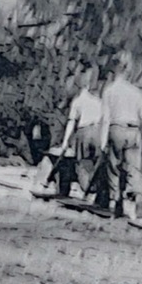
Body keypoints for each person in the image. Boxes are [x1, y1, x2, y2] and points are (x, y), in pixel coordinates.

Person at [98, 55, 142, 219]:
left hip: (117, 128)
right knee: (134, 168)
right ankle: (138, 199)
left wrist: (102, 141)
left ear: (114, 72)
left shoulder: (109, 91)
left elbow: (106, 118)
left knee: (114, 167)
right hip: (134, 130)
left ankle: (117, 202)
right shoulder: (136, 92)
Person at [54, 65, 106, 205]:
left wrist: (65, 142)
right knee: (98, 163)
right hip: (99, 131)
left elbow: (71, 122)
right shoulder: (98, 102)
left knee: (83, 162)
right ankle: (98, 192)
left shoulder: (77, 102)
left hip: (84, 132)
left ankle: (88, 189)